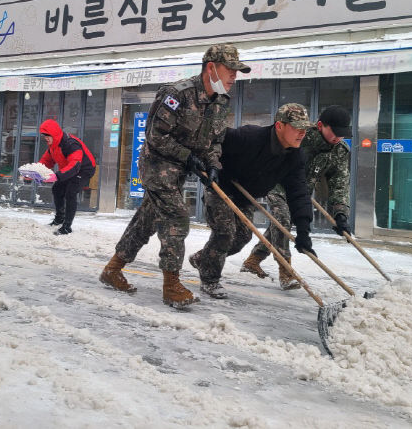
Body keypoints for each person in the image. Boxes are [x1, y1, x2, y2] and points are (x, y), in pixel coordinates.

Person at [99, 44, 250, 308]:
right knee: (176, 217)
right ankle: (172, 285)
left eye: (237, 71)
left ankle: (112, 269)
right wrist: (187, 156)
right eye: (230, 70)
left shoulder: (220, 102)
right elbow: (155, 136)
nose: (234, 76)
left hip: (179, 169)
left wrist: (212, 164)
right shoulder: (177, 94)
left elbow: (214, 142)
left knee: (146, 219)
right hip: (156, 165)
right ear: (211, 67)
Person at [188, 103, 315, 299]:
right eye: (297, 127)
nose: (302, 133)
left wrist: (304, 230)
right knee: (225, 233)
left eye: (305, 128)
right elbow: (214, 140)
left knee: (242, 238)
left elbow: (298, 192)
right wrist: (207, 165)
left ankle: (204, 258)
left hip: (244, 194)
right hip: (221, 186)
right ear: (279, 126)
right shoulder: (250, 137)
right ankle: (210, 280)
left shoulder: (295, 156)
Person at [241, 105, 352, 289]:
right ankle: (286, 271)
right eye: (334, 132)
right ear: (320, 125)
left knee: (279, 225)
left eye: (342, 134)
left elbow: (339, 182)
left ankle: (253, 260)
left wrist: (340, 214)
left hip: (299, 190)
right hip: (276, 181)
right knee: (282, 219)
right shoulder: (301, 135)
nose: (338, 138)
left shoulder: (339, 150)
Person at [37, 119, 96, 236]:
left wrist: (57, 176)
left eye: (48, 135)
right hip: (68, 169)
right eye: (44, 135)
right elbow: (46, 161)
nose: (45, 138)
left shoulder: (70, 144)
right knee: (57, 189)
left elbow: (74, 165)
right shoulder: (53, 146)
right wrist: (36, 171)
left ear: (54, 134)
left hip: (84, 169)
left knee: (71, 192)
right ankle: (59, 219)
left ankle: (67, 227)